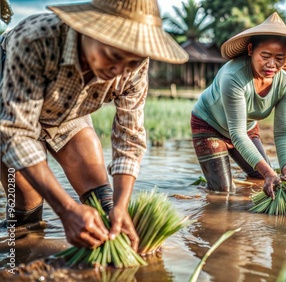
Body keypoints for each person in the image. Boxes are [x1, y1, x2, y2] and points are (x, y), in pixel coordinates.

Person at [0, 0, 188, 250]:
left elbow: (129, 136)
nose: (120, 71)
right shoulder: (35, 41)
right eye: (113, 56)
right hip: (11, 107)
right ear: (89, 31)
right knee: (25, 210)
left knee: (103, 205)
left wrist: (121, 207)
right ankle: (16, 263)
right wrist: (66, 209)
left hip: (68, 111)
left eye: (132, 62)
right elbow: (17, 135)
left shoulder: (134, 61)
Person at [190, 12, 286, 198]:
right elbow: (237, 133)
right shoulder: (234, 77)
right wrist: (269, 173)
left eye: (279, 58)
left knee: (260, 178)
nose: (272, 64)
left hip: (246, 129)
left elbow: (284, 131)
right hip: (209, 126)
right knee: (222, 192)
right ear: (250, 50)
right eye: (265, 56)